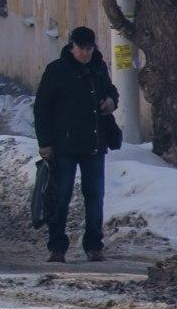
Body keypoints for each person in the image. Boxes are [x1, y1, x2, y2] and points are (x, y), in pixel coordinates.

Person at [33, 25, 122, 263]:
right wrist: (46, 143)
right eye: (81, 48)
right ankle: (57, 247)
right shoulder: (57, 71)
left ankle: (94, 245)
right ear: (71, 46)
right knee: (60, 197)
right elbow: (42, 109)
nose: (85, 53)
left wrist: (111, 101)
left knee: (95, 196)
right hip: (64, 147)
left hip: (94, 144)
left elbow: (112, 90)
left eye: (90, 48)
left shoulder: (98, 67)